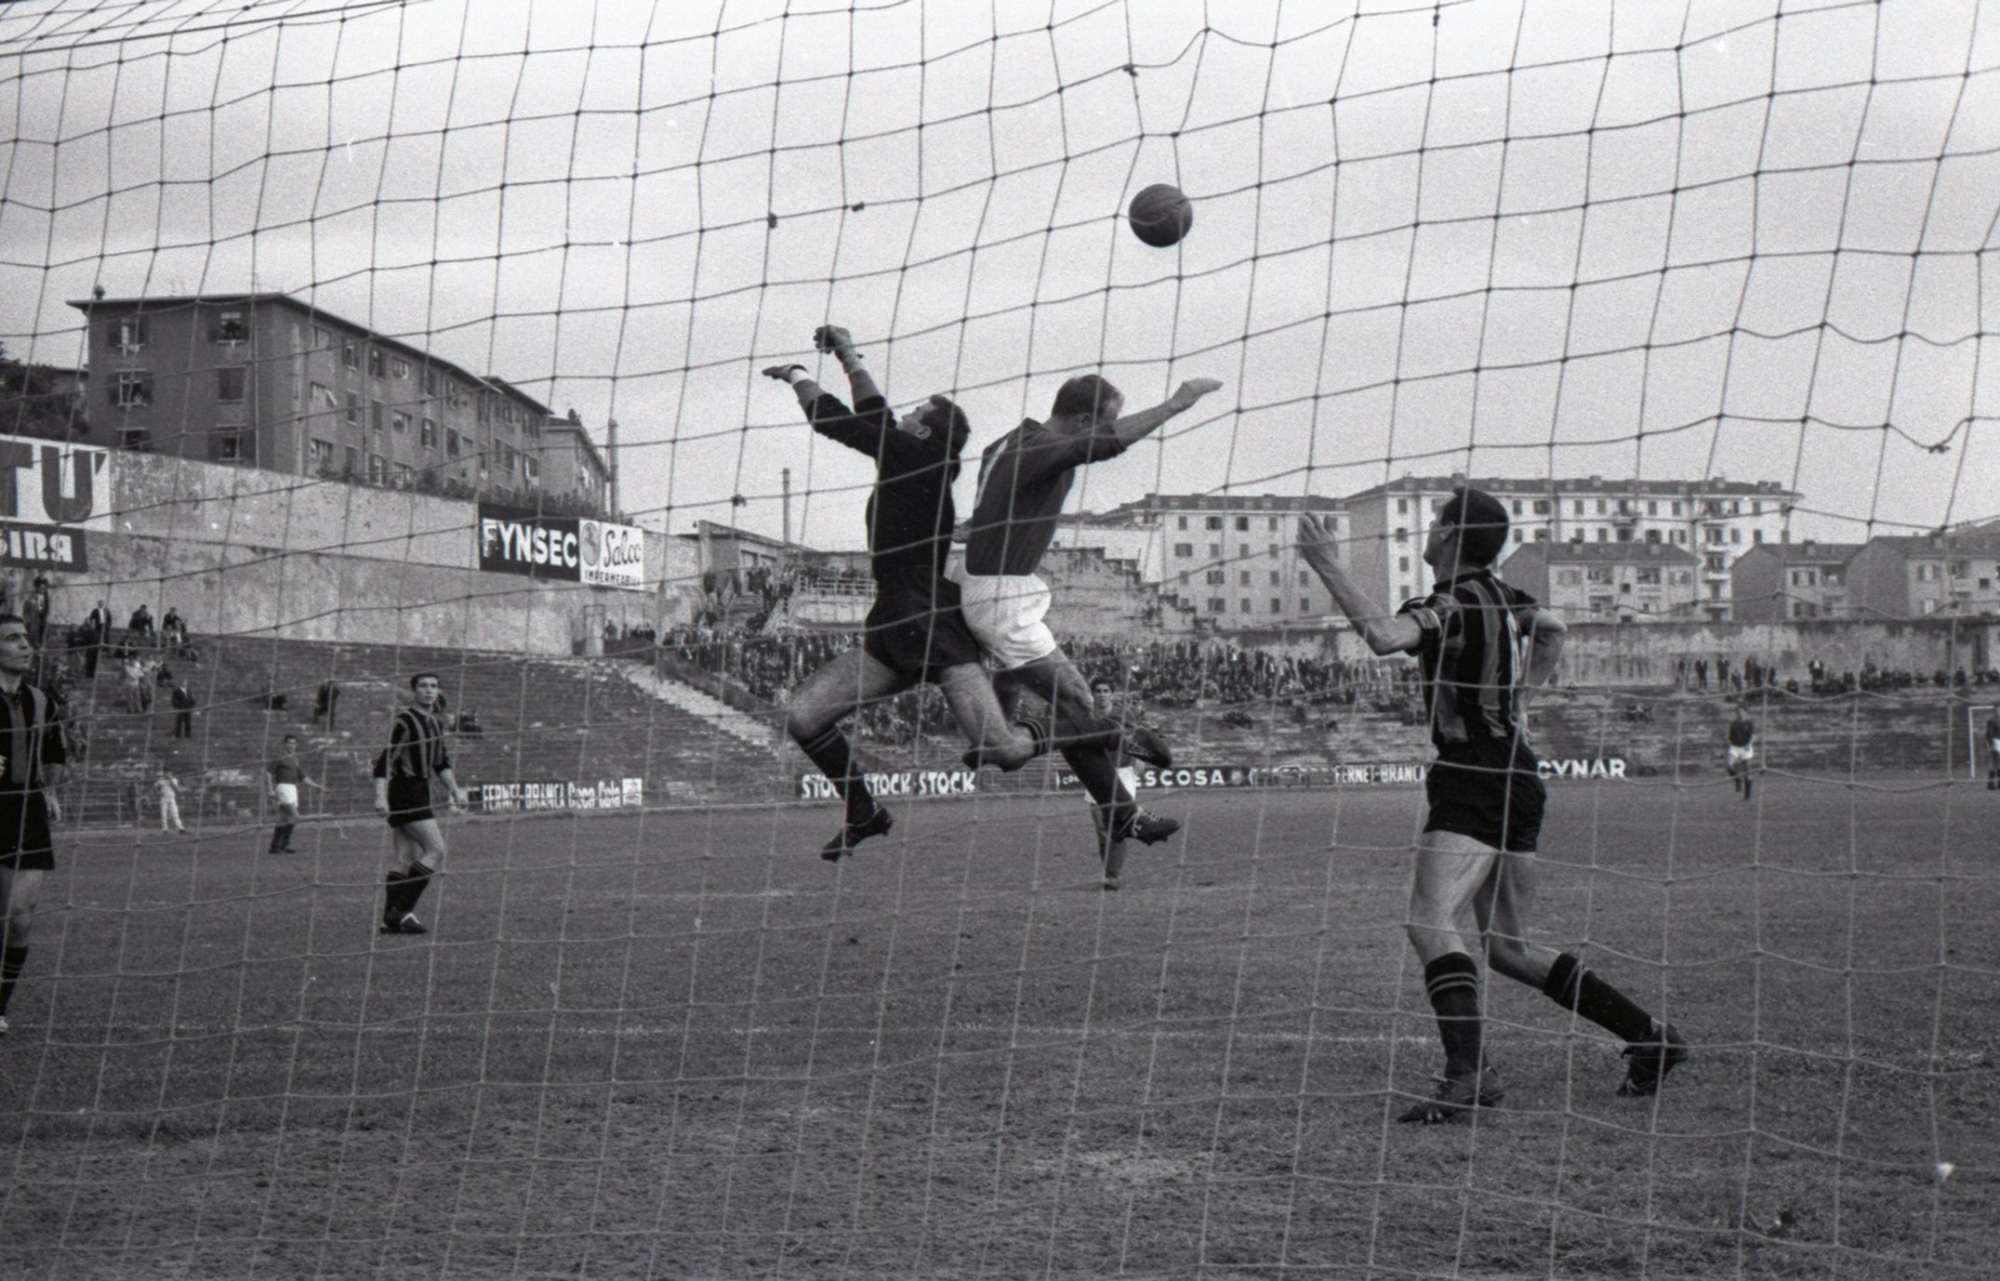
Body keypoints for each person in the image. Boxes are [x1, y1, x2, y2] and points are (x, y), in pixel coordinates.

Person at [1298, 488, 1687, 1124]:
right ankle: (1651, 1037)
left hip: (1473, 774)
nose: (1427, 531)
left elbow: (1386, 637)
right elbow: (1554, 631)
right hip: (1517, 772)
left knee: (1430, 922)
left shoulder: (1448, 604)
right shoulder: (1506, 597)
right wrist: (1521, 700)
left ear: (1451, 534)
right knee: (1507, 948)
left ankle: (1469, 1075)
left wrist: (1325, 563)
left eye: (1434, 522)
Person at [763, 325, 1143, 861]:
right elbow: (873, 413)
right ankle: (864, 812)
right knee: (804, 716)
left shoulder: (917, 456)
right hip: (894, 619)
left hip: (932, 622)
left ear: (923, 431)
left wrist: (798, 375)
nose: (903, 415)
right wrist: (848, 356)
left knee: (1002, 749)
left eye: (915, 413)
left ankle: (1105, 734)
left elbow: (835, 421)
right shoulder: (910, 453)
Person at [953, 371, 1222, 850]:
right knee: (1078, 702)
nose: (1105, 429)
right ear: (1081, 420)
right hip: (1000, 595)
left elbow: (998, 499)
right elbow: (1106, 444)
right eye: (1103, 421)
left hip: (994, 586)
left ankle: (999, 741)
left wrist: (976, 527)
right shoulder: (1042, 449)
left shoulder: (1009, 443)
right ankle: (1118, 761)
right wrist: (1176, 404)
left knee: (1041, 694)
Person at [0, 613, 68, 1037]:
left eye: (26, 637)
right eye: (12, 638)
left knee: (19, 917)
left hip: (27, 814)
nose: (25, 644)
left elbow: (56, 752)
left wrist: (52, 791)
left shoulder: (42, 701)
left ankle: (0, 1006)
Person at [372, 673, 467, 934]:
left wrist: (455, 790)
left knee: (405, 857)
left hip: (420, 790)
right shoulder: (405, 721)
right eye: (423, 686)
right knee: (436, 849)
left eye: (433, 686)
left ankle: (388, 921)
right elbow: (384, 761)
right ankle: (402, 911)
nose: (429, 690)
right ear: (414, 691)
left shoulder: (435, 723)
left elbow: (441, 763)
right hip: (406, 791)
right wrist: (380, 795)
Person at [266, 735, 323, 854]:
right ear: (284, 744)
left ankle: (277, 847)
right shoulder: (280, 757)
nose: (291, 745)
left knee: (285, 819)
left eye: (293, 743)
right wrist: (270, 789)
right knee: (295, 817)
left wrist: (317, 786)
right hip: (283, 787)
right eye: (289, 743)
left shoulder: (295, 759)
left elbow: (303, 777)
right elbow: (268, 772)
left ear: (296, 745)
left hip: (292, 788)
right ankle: (280, 845)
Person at [1726, 704, 1757, 801]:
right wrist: (1730, 743)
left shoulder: (1749, 723)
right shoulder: (1734, 723)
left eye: (1741, 711)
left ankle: (1747, 796)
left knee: (1747, 771)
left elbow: (1753, 736)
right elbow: (1730, 736)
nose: (1739, 713)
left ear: (1745, 712)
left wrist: (1749, 744)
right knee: (1729, 765)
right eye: (1737, 711)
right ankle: (1737, 780)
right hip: (1735, 747)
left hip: (1745, 747)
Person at [156, 765, 186, 835]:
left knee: (175, 814)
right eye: (166, 772)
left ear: (171, 773)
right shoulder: (160, 780)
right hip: (164, 798)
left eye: (169, 772)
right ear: (164, 773)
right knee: (164, 814)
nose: (167, 773)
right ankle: (165, 829)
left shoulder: (174, 779)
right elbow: (157, 787)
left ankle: (180, 828)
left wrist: (170, 780)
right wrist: (159, 792)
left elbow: (176, 789)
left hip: (172, 798)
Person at [1986, 709, 2000, 792]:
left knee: (1997, 763)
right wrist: (1991, 744)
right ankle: (1990, 784)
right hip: (1995, 742)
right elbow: (1989, 733)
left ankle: (1995, 784)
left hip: (1998, 742)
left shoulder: (1997, 720)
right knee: (1994, 763)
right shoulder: (1992, 721)